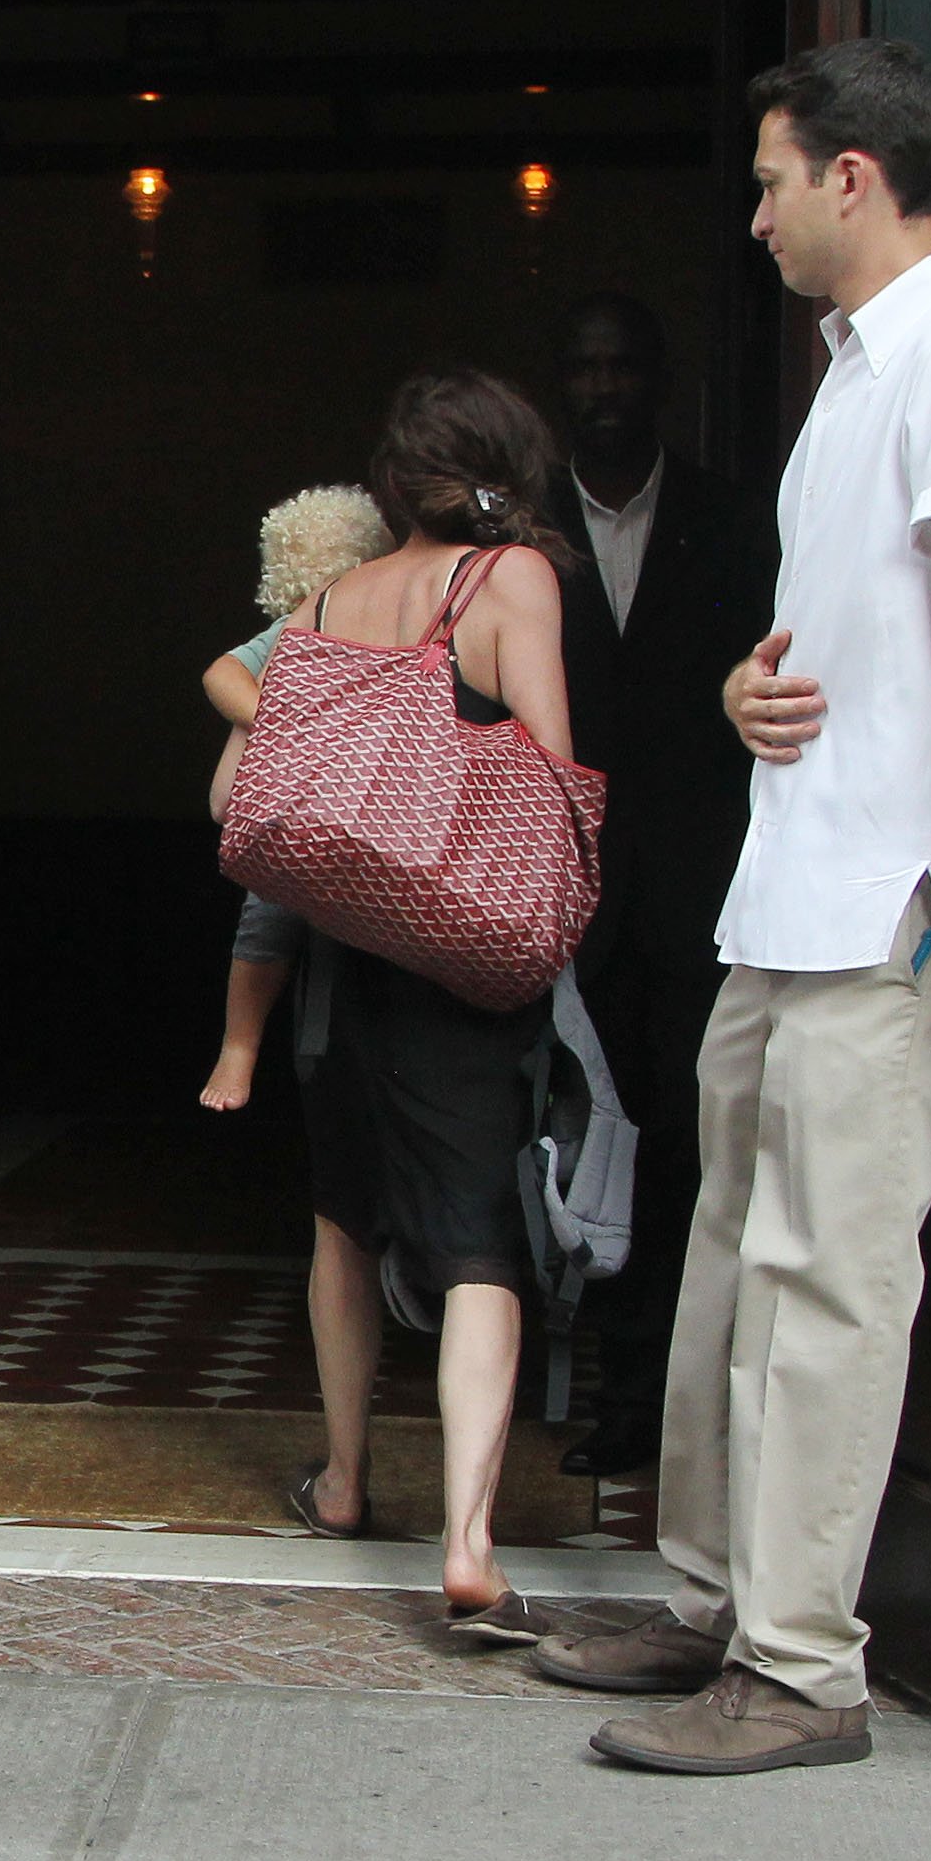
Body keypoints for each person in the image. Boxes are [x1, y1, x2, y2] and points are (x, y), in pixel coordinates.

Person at [537, 38, 931, 1775]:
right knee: (732, 1267)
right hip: (786, 897)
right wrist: (752, 692)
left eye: (765, 180)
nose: (749, 218)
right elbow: (862, 642)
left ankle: (804, 1672)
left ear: (851, 176)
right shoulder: (852, 377)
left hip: (888, 911)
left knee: (825, 1286)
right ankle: (720, 1606)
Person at [206, 371, 581, 1639]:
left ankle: (350, 1480)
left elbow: (250, 772)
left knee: (343, 1219)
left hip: (339, 963)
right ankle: (468, 1542)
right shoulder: (508, 583)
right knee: (480, 1237)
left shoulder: (323, 604)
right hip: (461, 965)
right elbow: (541, 764)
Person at [539, 293, 780, 1478]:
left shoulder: (731, 517)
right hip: (563, 885)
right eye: (583, 367)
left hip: (697, 887)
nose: (603, 388)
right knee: (584, 1138)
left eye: (622, 366)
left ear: (657, 381)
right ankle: (597, 1390)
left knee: (686, 1142)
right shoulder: (521, 534)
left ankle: (665, 1406)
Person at [198, 485, 386, 1112]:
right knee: (265, 922)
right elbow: (221, 672)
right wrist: (273, 719)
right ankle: (239, 1046)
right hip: (287, 819)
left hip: (363, 820)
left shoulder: (397, 636)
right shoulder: (297, 628)